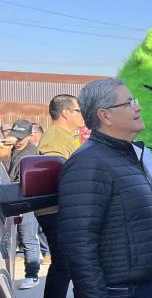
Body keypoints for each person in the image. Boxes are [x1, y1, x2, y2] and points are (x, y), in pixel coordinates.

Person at [59, 78, 152, 298]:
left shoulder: (124, 155)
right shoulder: (89, 163)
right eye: (128, 103)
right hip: (118, 292)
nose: (138, 107)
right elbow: (79, 242)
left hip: (142, 287)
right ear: (105, 115)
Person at [37, 94, 85, 298]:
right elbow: (58, 176)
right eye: (79, 110)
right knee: (64, 263)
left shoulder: (65, 136)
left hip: (63, 209)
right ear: (66, 112)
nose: (82, 115)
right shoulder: (55, 139)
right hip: (56, 210)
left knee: (66, 264)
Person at [5, 119, 42, 290]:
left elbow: (24, 181)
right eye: (15, 136)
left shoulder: (31, 154)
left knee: (28, 238)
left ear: (30, 136)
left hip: (25, 201)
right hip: (11, 200)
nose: (17, 141)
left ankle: (32, 274)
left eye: (21, 138)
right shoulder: (11, 150)